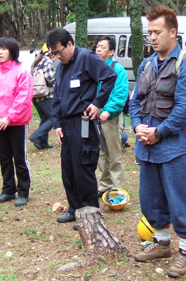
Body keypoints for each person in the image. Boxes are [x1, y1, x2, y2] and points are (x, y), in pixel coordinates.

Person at [130, 6, 186, 278]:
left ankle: (185, 252)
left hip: (175, 148)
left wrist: (158, 132)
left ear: (173, 32)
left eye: (157, 32)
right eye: (149, 32)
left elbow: (185, 108)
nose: (152, 37)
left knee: (180, 201)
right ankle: (161, 244)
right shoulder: (146, 63)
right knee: (151, 200)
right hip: (148, 147)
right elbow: (135, 100)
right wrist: (137, 125)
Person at [47, 28, 116, 225]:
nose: (58, 56)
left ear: (70, 44)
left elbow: (110, 77)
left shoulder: (86, 57)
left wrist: (98, 102)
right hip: (66, 124)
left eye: (60, 52)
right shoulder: (60, 66)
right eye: (54, 53)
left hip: (83, 121)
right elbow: (57, 96)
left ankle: (89, 212)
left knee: (83, 166)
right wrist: (57, 123)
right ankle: (74, 208)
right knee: (68, 168)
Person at [0, 36, 33, 207]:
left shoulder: (21, 71)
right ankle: (8, 189)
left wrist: (8, 117)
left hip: (17, 122)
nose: (0, 52)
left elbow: (23, 98)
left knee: (20, 158)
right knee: (4, 157)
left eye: (4, 49)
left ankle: (23, 191)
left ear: (13, 51)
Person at [94, 36, 129, 197]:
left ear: (111, 51)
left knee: (114, 153)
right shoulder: (94, 67)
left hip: (111, 118)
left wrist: (108, 110)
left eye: (102, 47)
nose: (98, 49)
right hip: (95, 117)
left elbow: (121, 94)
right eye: (97, 46)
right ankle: (104, 184)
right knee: (101, 152)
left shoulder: (117, 69)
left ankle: (116, 187)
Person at [29, 44, 56, 150]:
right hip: (45, 95)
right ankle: (36, 136)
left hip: (35, 96)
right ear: (51, 53)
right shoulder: (47, 62)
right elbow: (51, 78)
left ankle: (42, 142)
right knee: (53, 118)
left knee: (45, 118)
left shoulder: (37, 62)